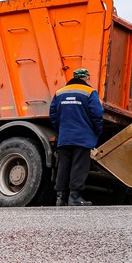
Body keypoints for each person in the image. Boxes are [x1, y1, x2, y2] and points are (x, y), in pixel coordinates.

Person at [49, 68, 103, 206]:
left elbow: (53, 115)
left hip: (65, 137)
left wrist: (61, 129)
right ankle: (74, 197)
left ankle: (60, 198)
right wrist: (97, 131)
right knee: (79, 166)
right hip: (82, 138)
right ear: (86, 78)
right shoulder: (90, 92)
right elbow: (97, 114)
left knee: (63, 166)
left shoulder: (59, 93)